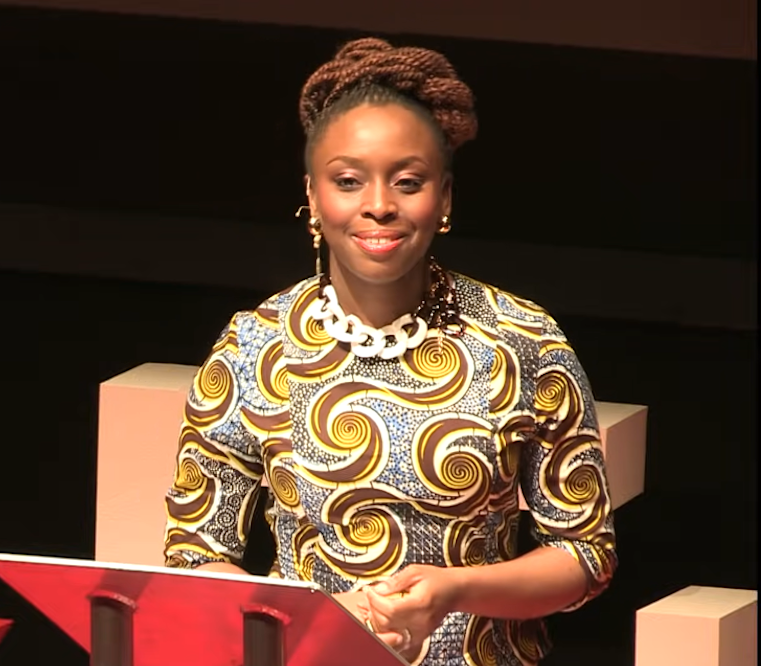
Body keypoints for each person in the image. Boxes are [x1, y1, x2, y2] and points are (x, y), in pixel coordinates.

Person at [163, 37, 617, 665]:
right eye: (348, 181)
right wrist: (314, 615)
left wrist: (456, 590)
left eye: (407, 181)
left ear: (446, 199)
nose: (378, 205)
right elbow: (194, 554)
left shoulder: (522, 339)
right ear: (313, 198)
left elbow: (585, 557)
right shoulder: (255, 344)